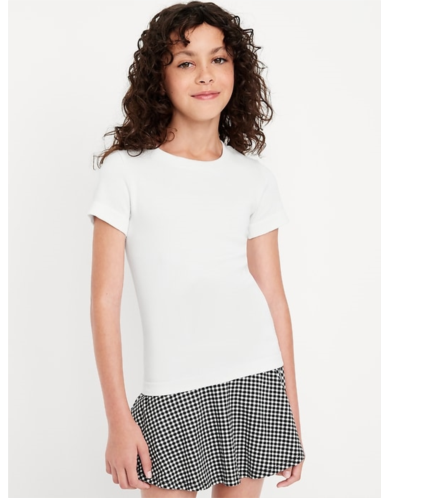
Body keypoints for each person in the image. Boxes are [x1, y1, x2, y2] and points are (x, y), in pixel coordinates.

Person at [88, 2, 305, 496]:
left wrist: (291, 409)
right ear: (159, 78)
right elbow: (104, 301)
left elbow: (273, 297)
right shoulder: (126, 171)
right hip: (170, 390)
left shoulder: (253, 177)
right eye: (187, 62)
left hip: (256, 379)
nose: (206, 75)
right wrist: (118, 420)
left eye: (219, 59)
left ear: (236, 70)